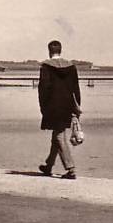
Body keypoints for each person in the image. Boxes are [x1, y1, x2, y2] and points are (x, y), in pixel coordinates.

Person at [37, 40, 81, 180]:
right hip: (68, 105)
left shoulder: (46, 67)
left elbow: (43, 89)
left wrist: (43, 108)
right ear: (61, 50)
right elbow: (76, 89)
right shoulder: (71, 67)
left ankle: (71, 169)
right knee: (57, 134)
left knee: (58, 136)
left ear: (49, 51)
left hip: (52, 106)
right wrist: (77, 107)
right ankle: (48, 166)